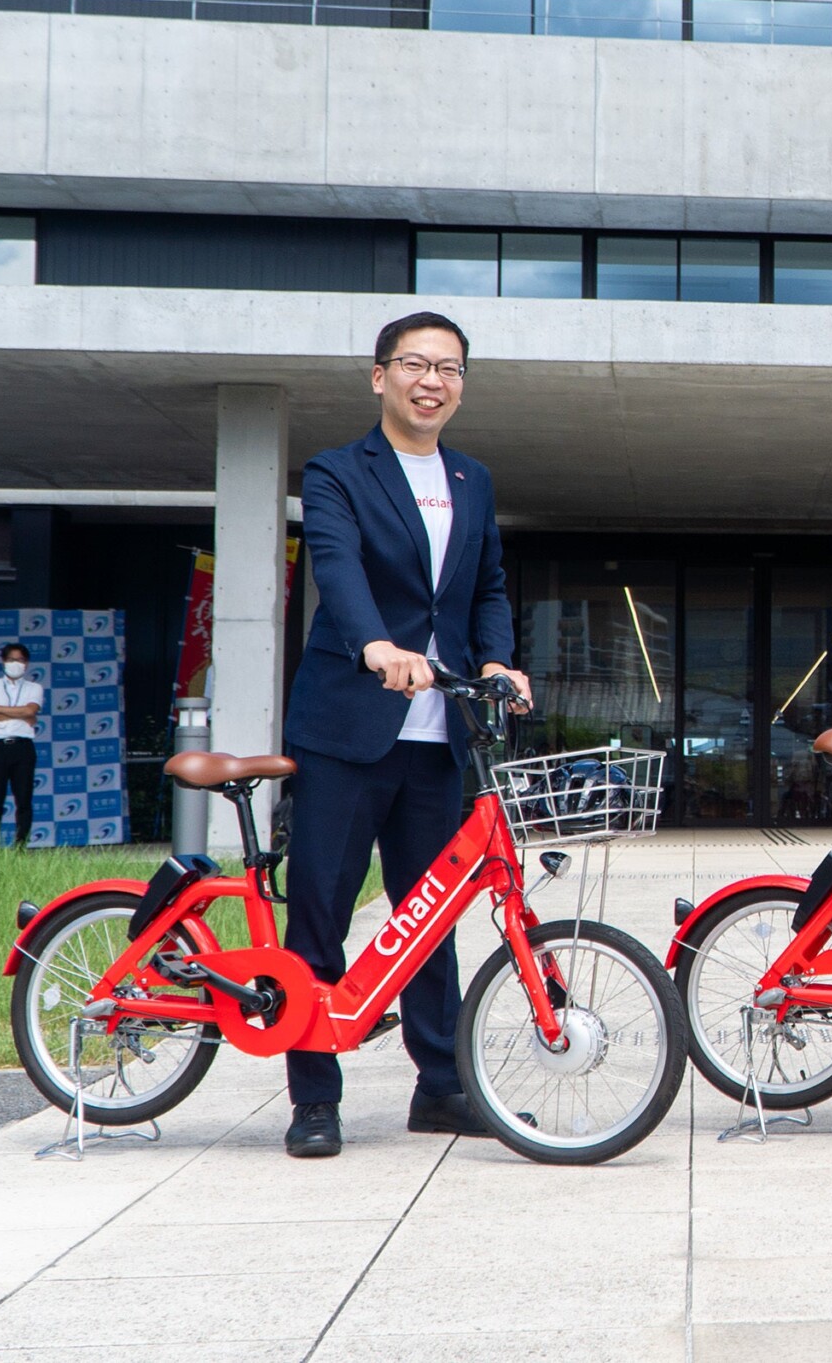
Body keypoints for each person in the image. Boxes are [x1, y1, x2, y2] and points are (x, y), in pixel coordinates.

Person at [277, 311, 531, 1159]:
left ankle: (441, 1084)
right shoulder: (337, 472)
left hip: (437, 740)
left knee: (429, 918)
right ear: (379, 375)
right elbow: (338, 568)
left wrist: (498, 659)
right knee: (321, 912)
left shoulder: (473, 477)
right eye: (416, 364)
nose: (433, 380)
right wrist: (374, 644)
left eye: (450, 367)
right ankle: (314, 1095)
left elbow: (486, 583)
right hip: (347, 730)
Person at [0, 642, 43, 845]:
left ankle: (21, 845)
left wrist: (1, 711)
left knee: (23, 800)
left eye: (21, 660)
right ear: (3, 662)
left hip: (23, 748)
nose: (16, 664)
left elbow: (30, 711)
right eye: (12, 660)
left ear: (27, 663)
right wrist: (19, 714)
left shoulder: (34, 687)